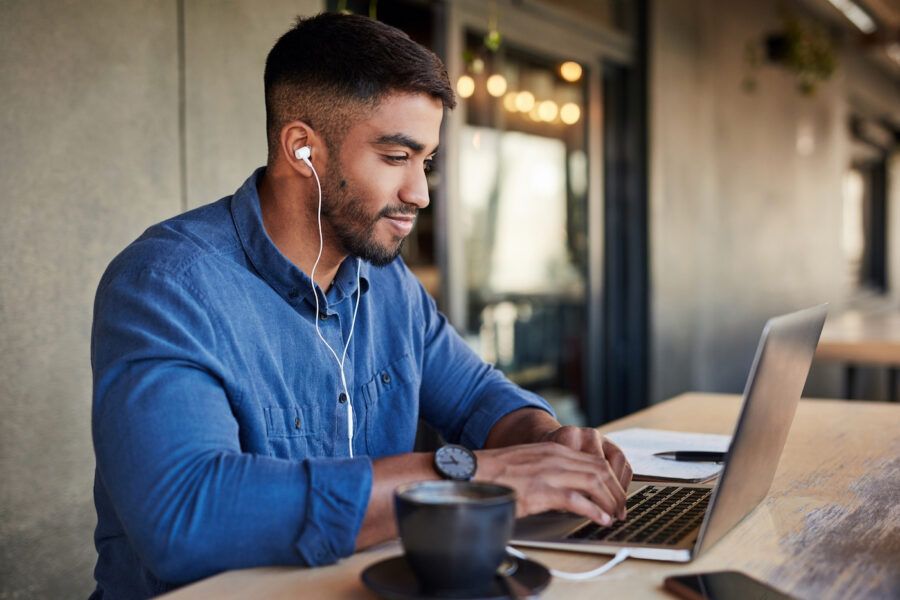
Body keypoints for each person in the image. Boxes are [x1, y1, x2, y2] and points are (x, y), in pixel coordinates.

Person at [89, 12, 632, 599]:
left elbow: (478, 397)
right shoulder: (166, 285)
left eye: (425, 163)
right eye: (396, 158)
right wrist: (467, 474)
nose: (419, 194)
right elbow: (186, 515)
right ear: (303, 150)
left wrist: (548, 441)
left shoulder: (386, 283)